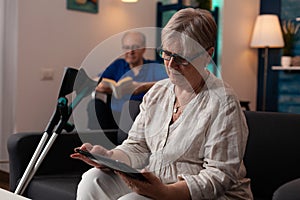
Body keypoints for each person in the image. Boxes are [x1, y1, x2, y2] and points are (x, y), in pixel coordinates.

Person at [72, 8, 253, 199]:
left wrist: (166, 193)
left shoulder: (223, 103)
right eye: (167, 53)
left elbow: (219, 176)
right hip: (160, 181)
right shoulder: (158, 92)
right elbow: (137, 146)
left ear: (207, 55)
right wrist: (109, 157)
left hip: (207, 194)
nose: (171, 64)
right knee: (92, 180)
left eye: (182, 58)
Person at [87, 31, 168, 132]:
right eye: (126, 47)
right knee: (95, 104)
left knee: (130, 106)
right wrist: (111, 88)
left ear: (143, 49)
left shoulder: (153, 67)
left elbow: (170, 82)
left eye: (135, 47)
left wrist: (141, 87)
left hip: (140, 118)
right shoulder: (118, 65)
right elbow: (94, 81)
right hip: (114, 115)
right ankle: (98, 141)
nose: (130, 51)